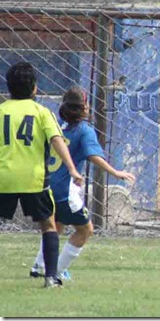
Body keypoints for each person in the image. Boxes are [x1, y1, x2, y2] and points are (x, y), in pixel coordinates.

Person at [29, 86, 136, 280]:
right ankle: (57, 271)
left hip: (44, 185)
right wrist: (115, 172)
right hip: (64, 190)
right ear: (85, 108)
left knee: (57, 225)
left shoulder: (54, 125)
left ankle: (39, 265)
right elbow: (93, 155)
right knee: (86, 230)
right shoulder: (84, 130)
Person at [0, 62, 83, 288]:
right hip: (33, 179)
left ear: (8, 88)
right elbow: (57, 140)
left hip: (3, 178)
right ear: (35, 88)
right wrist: (72, 168)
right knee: (48, 224)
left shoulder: (1, 111)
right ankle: (50, 277)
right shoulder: (41, 112)